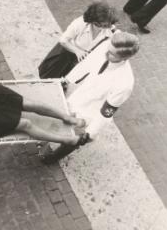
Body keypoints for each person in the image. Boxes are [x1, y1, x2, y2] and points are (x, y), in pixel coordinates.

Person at [42, 31, 139, 163]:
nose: (106, 53)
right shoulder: (106, 46)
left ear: (124, 58)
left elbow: (106, 112)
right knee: (62, 121)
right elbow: (87, 63)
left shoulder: (124, 83)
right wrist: (68, 80)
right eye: (108, 49)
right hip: (81, 96)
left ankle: (53, 157)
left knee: (73, 139)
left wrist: (90, 133)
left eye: (112, 54)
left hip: (90, 113)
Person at [38, 0, 118, 78]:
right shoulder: (80, 24)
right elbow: (63, 40)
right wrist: (77, 51)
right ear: (93, 21)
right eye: (101, 25)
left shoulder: (108, 28)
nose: (104, 28)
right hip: (65, 54)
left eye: (107, 25)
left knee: (68, 78)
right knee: (50, 75)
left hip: (81, 59)